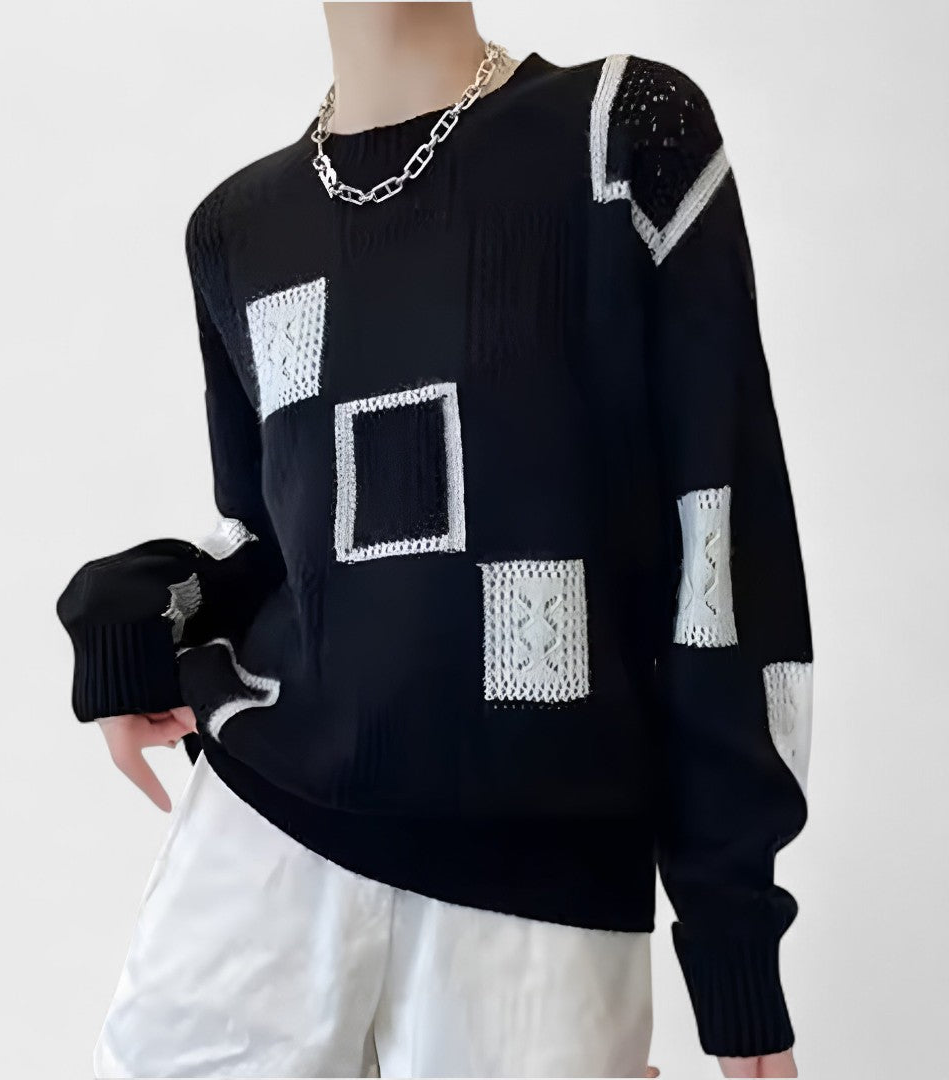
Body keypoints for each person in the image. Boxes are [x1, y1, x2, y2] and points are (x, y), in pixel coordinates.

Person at [57, 3, 812, 1077]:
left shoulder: (618, 136)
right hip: (263, 837)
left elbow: (721, 547)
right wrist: (133, 626)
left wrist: (735, 951)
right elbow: (275, 539)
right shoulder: (235, 230)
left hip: (536, 887)